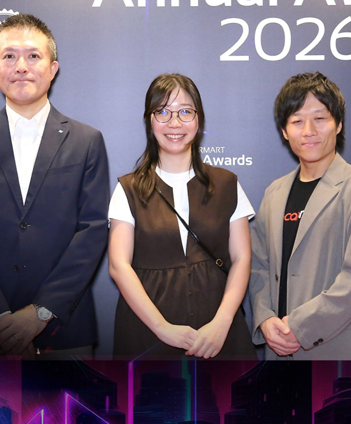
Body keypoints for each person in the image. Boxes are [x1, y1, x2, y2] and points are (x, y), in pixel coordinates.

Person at [0, 13, 109, 359]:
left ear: (52, 68)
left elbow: (92, 230)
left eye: (33, 56)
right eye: (9, 56)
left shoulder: (86, 141)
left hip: (65, 327)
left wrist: (40, 312)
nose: (21, 66)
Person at [108, 73, 255, 359]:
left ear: (199, 120)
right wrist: (162, 328)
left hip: (218, 332)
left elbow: (241, 258)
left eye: (185, 112)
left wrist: (222, 323)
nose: (174, 123)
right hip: (147, 333)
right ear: (150, 120)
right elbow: (118, 266)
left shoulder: (227, 183)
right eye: (163, 112)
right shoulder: (128, 188)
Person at [249, 72, 351, 360]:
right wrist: (265, 318)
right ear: (284, 131)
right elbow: (258, 265)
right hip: (278, 348)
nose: (309, 130)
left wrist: (300, 327)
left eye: (320, 118)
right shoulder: (275, 193)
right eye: (297, 121)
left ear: (339, 124)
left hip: (335, 348)